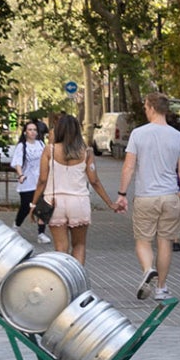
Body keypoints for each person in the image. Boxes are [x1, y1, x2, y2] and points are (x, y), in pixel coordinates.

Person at [119, 91, 180, 301]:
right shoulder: (179, 137)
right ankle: (162, 288)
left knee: (143, 240)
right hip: (171, 197)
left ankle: (147, 270)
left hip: (145, 197)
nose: (145, 110)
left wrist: (122, 193)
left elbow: (128, 166)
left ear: (152, 108)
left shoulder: (138, 134)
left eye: (145, 107)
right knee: (165, 243)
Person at [41, 113, 118, 265]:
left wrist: (33, 204)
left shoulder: (49, 150)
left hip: (54, 202)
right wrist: (110, 203)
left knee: (61, 248)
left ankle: (62, 282)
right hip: (79, 202)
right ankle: (77, 281)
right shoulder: (86, 152)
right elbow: (94, 181)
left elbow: (42, 180)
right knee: (79, 245)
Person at [9, 119, 47, 231]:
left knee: (42, 207)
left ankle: (41, 233)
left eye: (35, 130)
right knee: (26, 206)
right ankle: (16, 225)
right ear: (25, 132)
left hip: (40, 180)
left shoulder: (41, 144)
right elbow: (17, 162)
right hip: (27, 181)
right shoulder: (22, 146)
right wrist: (21, 175)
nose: (33, 132)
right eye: (30, 130)